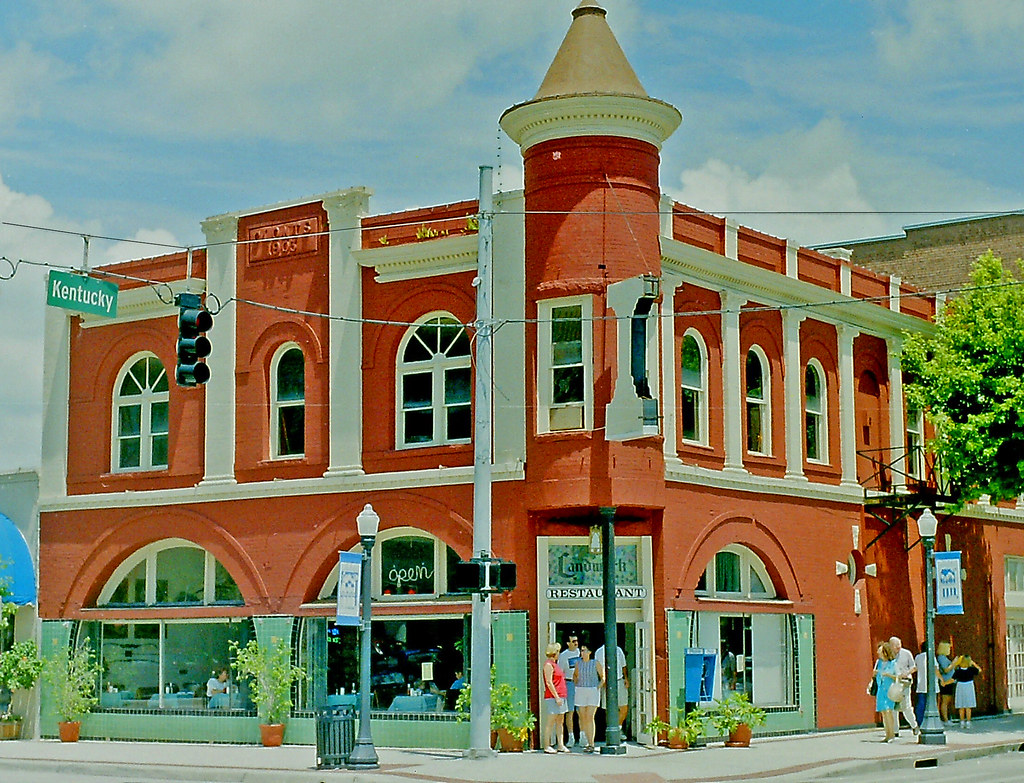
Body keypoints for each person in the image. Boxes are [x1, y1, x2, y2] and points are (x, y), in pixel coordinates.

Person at [573, 642, 603, 753]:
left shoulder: (595, 663)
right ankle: (586, 739)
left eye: (584, 650)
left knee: (590, 716)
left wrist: (597, 687)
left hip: (592, 690)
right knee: (583, 716)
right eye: (581, 650)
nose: (582, 653)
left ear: (589, 652)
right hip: (581, 689)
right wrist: (576, 683)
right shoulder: (578, 663)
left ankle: (591, 743)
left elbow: (602, 677)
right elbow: (575, 675)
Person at [595, 642, 629, 735]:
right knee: (608, 709)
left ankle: (618, 728)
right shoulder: (599, 652)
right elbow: (598, 668)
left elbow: (623, 665)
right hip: (607, 682)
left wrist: (626, 678)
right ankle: (611, 731)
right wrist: (602, 680)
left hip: (619, 680)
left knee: (624, 707)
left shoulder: (618, 649)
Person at [868, 641, 899, 742]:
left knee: (889, 712)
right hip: (881, 690)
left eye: (881, 652)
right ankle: (887, 734)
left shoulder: (893, 663)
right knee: (884, 713)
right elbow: (874, 675)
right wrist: (874, 674)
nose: (879, 654)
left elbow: (898, 677)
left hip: (889, 690)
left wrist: (888, 675)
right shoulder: (879, 663)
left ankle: (892, 734)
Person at [542, 642, 570, 754]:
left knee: (560, 721)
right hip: (553, 697)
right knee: (550, 721)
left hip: (561, 695)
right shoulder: (548, 665)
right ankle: (546, 745)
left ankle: (560, 744)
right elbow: (549, 682)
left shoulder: (555, 664)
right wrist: (556, 697)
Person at [889, 636, 918, 735]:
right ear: (890, 646)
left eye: (899, 644)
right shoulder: (888, 655)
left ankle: (914, 725)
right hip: (893, 682)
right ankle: (895, 730)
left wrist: (907, 673)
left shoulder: (906, 653)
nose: (898, 647)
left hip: (905, 682)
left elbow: (914, 667)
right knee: (893, 707)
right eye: (895, 645)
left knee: (906, 706)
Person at [557, 634, 581, 746]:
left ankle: (583, 736)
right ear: (568, 643)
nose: (576, 643)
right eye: (573, 641)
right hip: (569, 683)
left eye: (577, 641)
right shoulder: (563, 656)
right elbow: (560, 673)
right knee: (570, 711)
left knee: (581, 711)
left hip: (581, 684)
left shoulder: (581, 652)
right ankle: (571, 737)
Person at [953, 653, 981, 728]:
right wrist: (974, 663)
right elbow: (979, 670)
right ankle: (968, 722)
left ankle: (962, 722)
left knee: (961, 705)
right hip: (969, 686)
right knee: (968, 706)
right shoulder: (971, 669)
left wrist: (945, 683)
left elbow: (953, 679)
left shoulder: (958, 670)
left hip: (960, 686)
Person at [936, 641, 956, 723]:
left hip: (950, 681)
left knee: (948, 700)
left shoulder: (944, 658)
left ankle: (947, 718)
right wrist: (954, 663)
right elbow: (946, 670)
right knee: (945, 701)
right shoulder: (941, 658)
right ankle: (945, 719)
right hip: (946, 681)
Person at [913, 642, 931, 728]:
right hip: (930, 684)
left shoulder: (918, 657)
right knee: (930, 703)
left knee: (921, 703)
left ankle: (920, 721)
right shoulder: (931, 657)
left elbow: (915, 667)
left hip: (921, 683)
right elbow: (935, 669)